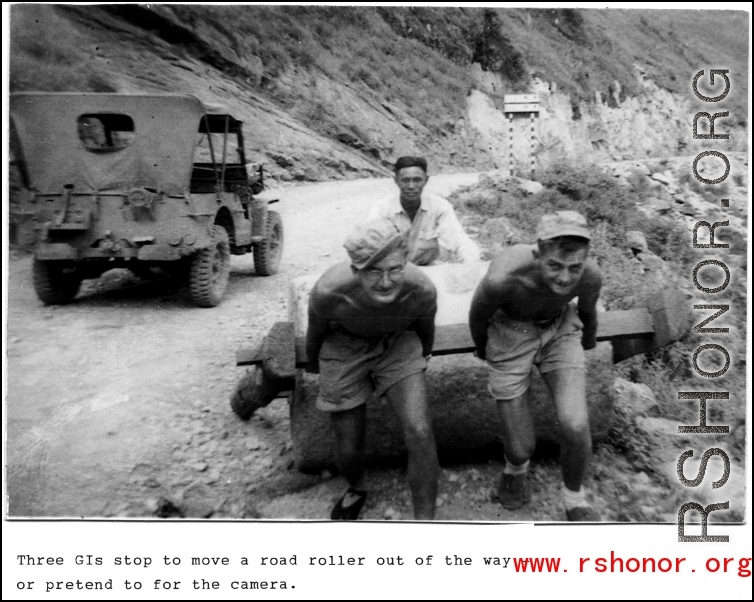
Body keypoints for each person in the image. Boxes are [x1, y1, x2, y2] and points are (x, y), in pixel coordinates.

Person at [468, 210, 603, 521]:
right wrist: (482, 348)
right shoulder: (503, 277)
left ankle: (574, 496)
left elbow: (588, 313)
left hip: (559, 329)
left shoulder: (591, 275)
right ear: (538, 252)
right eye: (554, 265)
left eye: (574, 267)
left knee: (575, 423)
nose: (564, 277)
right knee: (521, 447)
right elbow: (478, 316)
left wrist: (586, 346)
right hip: (509, 332)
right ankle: (514, 468)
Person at [306, 218, 439, 520]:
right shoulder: (329, 291)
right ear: (356, 270)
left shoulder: (421, 289)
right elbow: (316, 332)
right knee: (349, 446)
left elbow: (424, 328)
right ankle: (356, 487)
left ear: (405, 262)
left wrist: (421, 359)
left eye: (395, 269)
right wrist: (317, 367)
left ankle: (428, 522)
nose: (386, 282)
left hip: (397, 343)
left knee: (420, 429)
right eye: (374, 272)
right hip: (344, 346)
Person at [367, 156, 480, 265]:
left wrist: (471, 268)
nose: (411, 186)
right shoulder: (382, 209)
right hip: (394, 272)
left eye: (417, 180)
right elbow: (369, 248)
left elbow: (460, 241)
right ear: (396, 181)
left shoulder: (439, 207)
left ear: (426, 180)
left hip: (427, 270)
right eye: (405, 180)